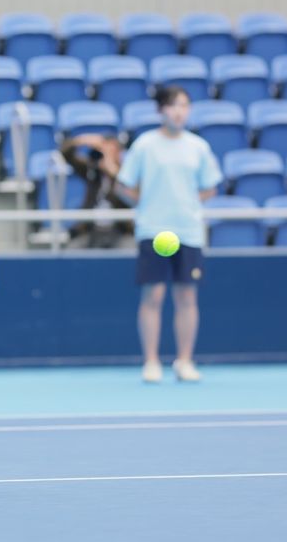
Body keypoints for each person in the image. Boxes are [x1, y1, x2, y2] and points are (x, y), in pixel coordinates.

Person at [115, 85, 223, 384]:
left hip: (189, 231)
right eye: (173, 105)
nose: (179, 111)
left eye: (184, 105)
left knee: (187, 296)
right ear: (161, 110)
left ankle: (185, 361)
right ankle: (151, 362)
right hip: (153, 230)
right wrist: (147, 204)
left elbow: (211, 187)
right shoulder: (145, 145)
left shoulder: (198, 147)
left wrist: (186, 204)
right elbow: (123, 186)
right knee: (154, 295)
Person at [58, 133, 132, 249]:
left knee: (130, 249)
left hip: (119, 230)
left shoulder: (127, 173)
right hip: (91, 230)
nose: (106, 156)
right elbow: (66, 154)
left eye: (111, 151)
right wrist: (81, 140)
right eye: (103, 151)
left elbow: (129, 193)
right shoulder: (92, 172)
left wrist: (112, 170)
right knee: (73, 249)